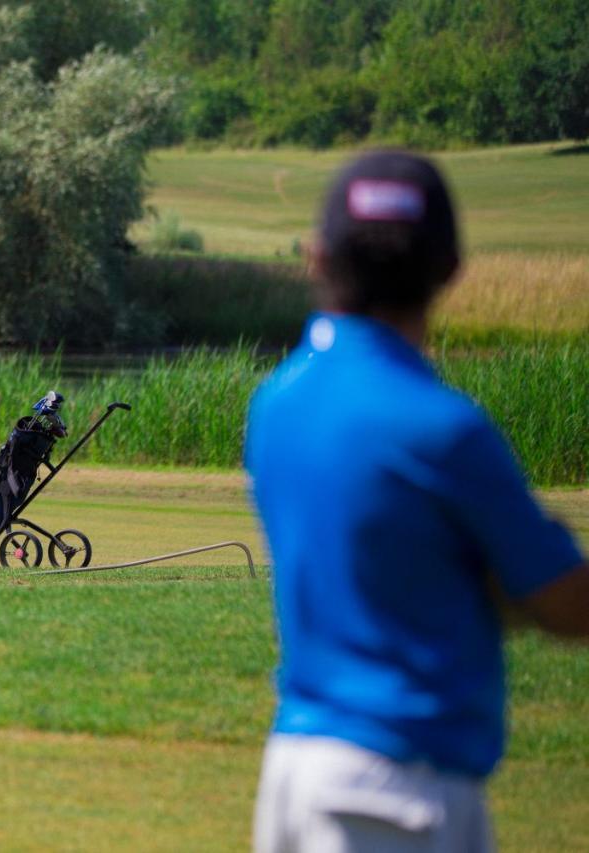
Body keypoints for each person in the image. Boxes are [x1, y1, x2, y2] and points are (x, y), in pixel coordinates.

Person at [244, 151, 589, 852]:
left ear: (317, 257)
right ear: (450, 268)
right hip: (398, 785)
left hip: (296, 769)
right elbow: (566, 602)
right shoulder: (444, 428)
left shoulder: (276, 402)